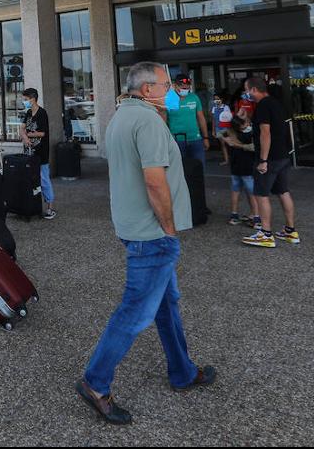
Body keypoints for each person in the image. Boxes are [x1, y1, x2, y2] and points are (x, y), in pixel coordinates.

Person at [77, 62, 216, 425]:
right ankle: (95, 382)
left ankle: (182, 371)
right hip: (152, 234)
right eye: (167, 84)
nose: (173, 89)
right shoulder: (149, 121)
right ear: (148, 90)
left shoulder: (120, 117)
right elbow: (155, 182)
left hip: (132, 226)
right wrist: (169, 229)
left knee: (166, 305)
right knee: (135, 312)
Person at [241, 77, 300, 248]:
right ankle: (290, 230)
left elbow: (265, 133)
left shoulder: (263, 106)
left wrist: (263, 160)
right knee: (283, 191)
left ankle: (265, 234)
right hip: (282, 156)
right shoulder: (275, 103)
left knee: (261, 194)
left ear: (253, 89)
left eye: (246, 89)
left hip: (270, 158)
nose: (246, 93)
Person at [18, 87, 57, 220]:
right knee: (29, 180)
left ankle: (50, 207)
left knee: (44, 179)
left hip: (41, 153)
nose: (24, 102)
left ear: (32, 99)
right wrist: (25, 137)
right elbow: (21, 128)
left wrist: (27, 134)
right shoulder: (28, 113)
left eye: (25, 99)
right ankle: (30, 206)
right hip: (28, 152)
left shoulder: (42, 113)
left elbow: (42, 133)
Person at [221, 112, 258, 227]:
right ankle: (257, 218)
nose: (248, 123)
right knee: (252, 192)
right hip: (247, 167)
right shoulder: (249, 134)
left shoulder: (231, 133)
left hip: (235, 167)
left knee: (235, 190)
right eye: (246, 122)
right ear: (242, 125)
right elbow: (254, 147)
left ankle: (234, 215)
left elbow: (220, 133)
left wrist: (228, 141)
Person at [166, 74, 210, 164]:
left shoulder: (194, 97)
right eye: (183, 88)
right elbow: (163, 121)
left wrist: (205, 137)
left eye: (187, 88)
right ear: (175, 85)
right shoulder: (168, 99)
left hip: (195, 139)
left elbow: (201, 118)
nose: (185, 90)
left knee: (199, 168)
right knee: (180, 170)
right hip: (177, 141)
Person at [211, 93, 232, 166]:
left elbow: (229, 118)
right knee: (223, 144)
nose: (216, 100)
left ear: (221, 99)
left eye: (217, 99)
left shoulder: (226, 107)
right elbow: (213, 120)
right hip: (218, 128)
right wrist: (213, 130)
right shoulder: (214, 108)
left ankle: (230, 158)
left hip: (225, 128)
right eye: (215, 99)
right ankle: (226, 160)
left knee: (229, 143)